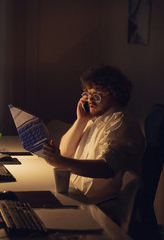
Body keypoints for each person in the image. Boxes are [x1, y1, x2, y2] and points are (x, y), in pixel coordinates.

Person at [42, 64, 145, 223]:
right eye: (87, 94)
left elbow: (106, 168)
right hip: (81, 197)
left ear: (115, 95)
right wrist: (81, 120)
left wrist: (62, 162)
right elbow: (65, 151)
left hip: (100, 209)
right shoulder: (95, 118)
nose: (89, 100)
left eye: (96, 95)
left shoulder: (120, 121)